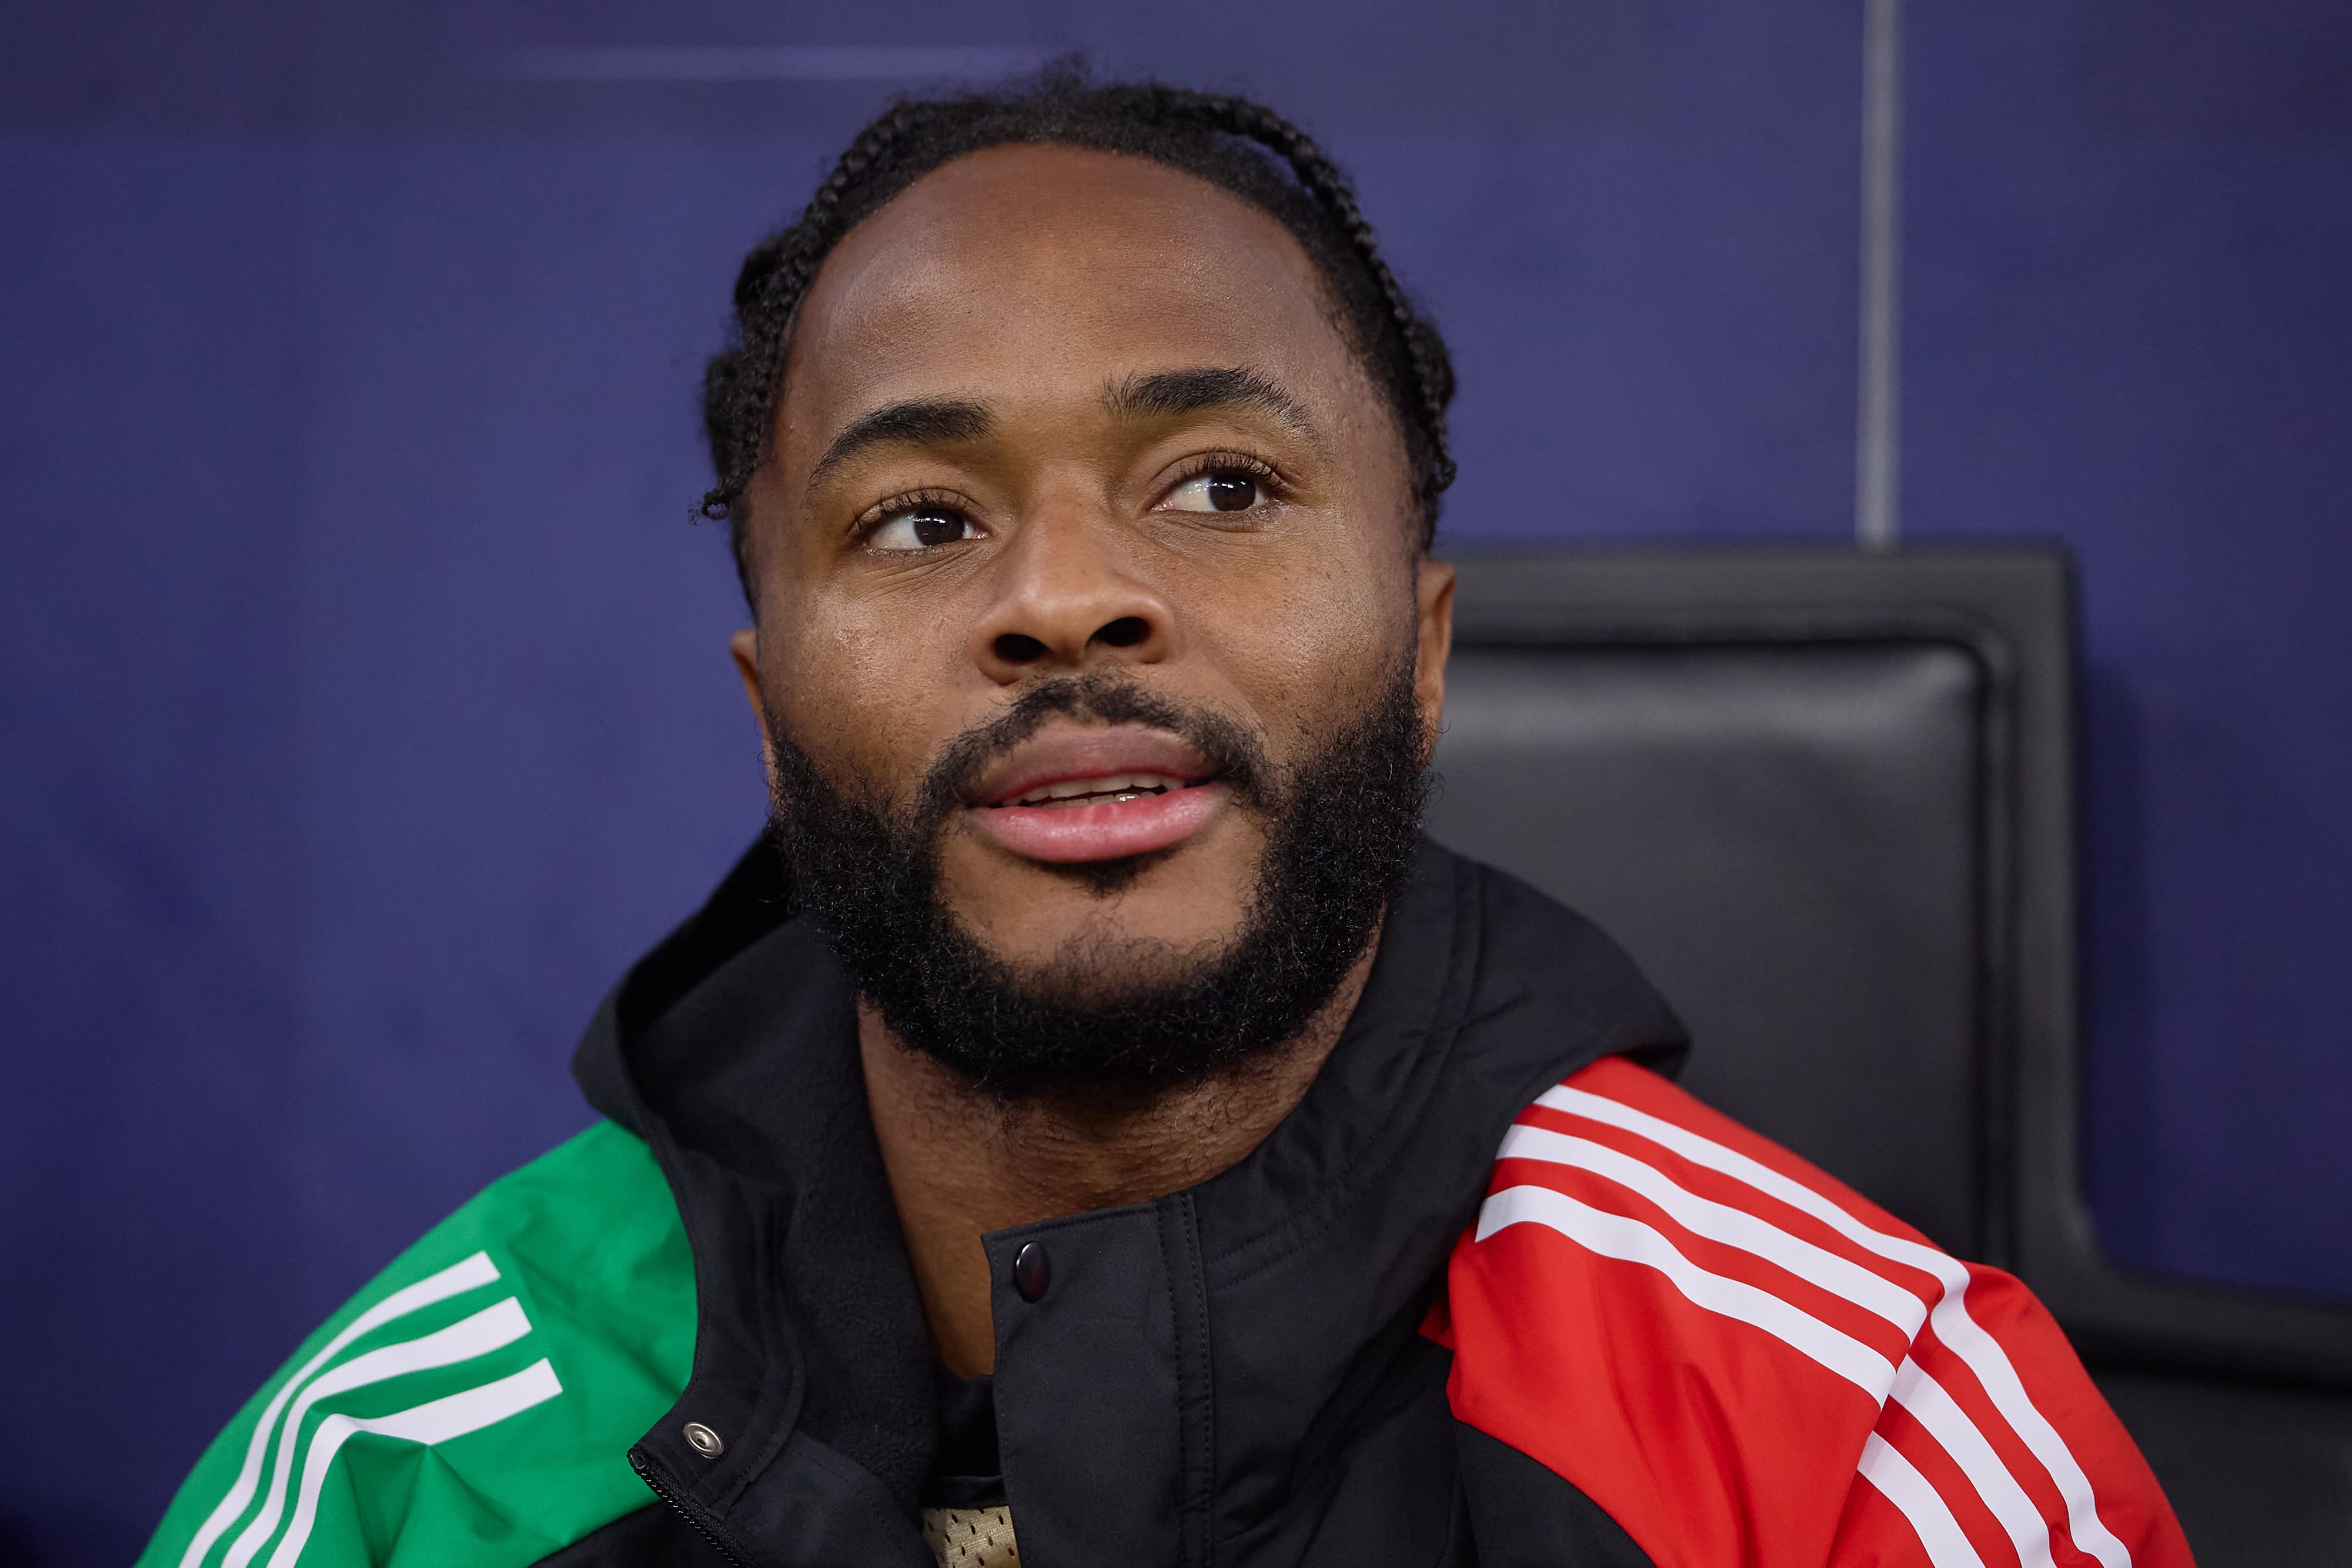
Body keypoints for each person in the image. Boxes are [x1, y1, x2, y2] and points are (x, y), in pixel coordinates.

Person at [141, 71, 2191, 1568]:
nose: (1064, 598)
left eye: (1218, 484)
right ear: (771, 722)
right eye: (922, 520)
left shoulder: (1862, 1443)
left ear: (1421, 651)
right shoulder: (399, 1480)